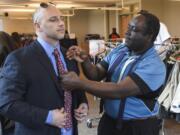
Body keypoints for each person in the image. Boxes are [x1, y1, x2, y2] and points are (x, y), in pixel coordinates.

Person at [61, 10, 166, 135]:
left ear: (149, 35)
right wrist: (85, 60)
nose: (127, 33)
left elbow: (119, 91)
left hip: (137, 127)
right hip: (109, 122)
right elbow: (96, 73)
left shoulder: (153, 65)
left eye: (134, 29)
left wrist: (79, 83)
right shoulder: (121, 50)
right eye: (128, 28)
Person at [0, 2, 88, 135]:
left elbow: (75, 87)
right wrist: (48, 117)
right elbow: (7, 103)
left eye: (61, 18)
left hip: (70, 131)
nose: (61, 23)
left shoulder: (69, 55)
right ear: (38, 26)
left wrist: (83, 103)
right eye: (53, 19)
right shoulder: (19, 59)